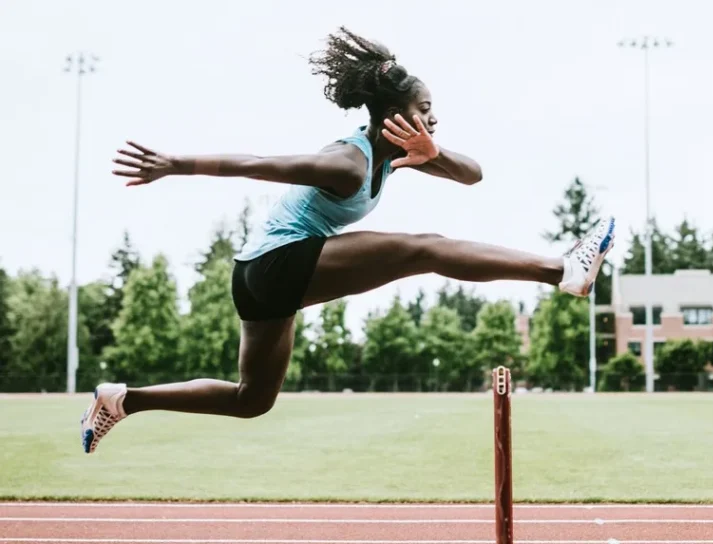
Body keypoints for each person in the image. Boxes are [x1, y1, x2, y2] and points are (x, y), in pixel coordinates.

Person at [80, 27, 615, 454]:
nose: (434, 117)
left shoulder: (395, 157)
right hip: (275, 264)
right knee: (422, 247)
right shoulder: (351, 162)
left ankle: (121, 400)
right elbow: (264, 164)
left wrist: (433, 152)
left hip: (260, 278)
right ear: (393, 114)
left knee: (251, 400)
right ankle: (561, 270)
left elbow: (473, 175)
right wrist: (176, 164)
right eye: (425, 108)